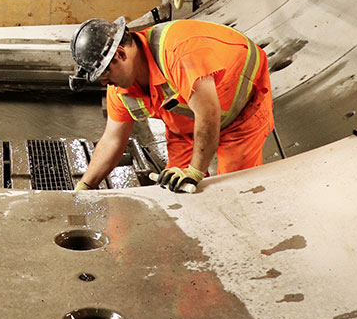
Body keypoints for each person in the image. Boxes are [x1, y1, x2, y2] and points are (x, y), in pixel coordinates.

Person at [69, 16, 274, 193]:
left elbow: (208, 115)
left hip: (241, 113)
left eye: (104, 73)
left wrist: (195, 172)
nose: (104, 83)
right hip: (185, 125)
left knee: (233, 190)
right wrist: (85, 187)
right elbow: (112, 140)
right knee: (177, 188)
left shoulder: (178, 53)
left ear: (121, 54)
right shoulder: (121, 88)